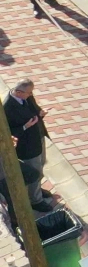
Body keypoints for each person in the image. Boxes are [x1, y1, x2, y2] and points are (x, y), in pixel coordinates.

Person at [4, 82, 47, 210]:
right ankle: (35, 200)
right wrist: (25, 127)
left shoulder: (26, 97)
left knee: (41, 165)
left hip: (37, 138)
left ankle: (38, 190)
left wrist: (40, 113)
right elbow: (8, 132)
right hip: (27, 147)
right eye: (29, 93)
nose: (31, 95)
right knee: (34, 172)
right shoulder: (7, 108)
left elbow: (34, 109)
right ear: (19, 92)